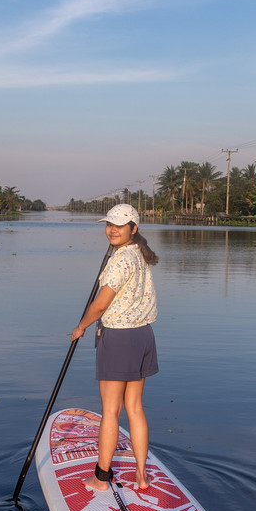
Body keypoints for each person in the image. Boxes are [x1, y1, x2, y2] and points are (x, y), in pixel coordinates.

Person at [70, 203, 159, 492]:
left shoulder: (120, 260)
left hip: (119, 337)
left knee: (111, 411)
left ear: (133, 228)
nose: (112, 229)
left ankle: (101, 478)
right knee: (135, 407)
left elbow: (100, 303)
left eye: (119, 225)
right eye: (109, 224)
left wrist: (81, 326)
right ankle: (141, 476)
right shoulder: (139, 254)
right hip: (143, 335)